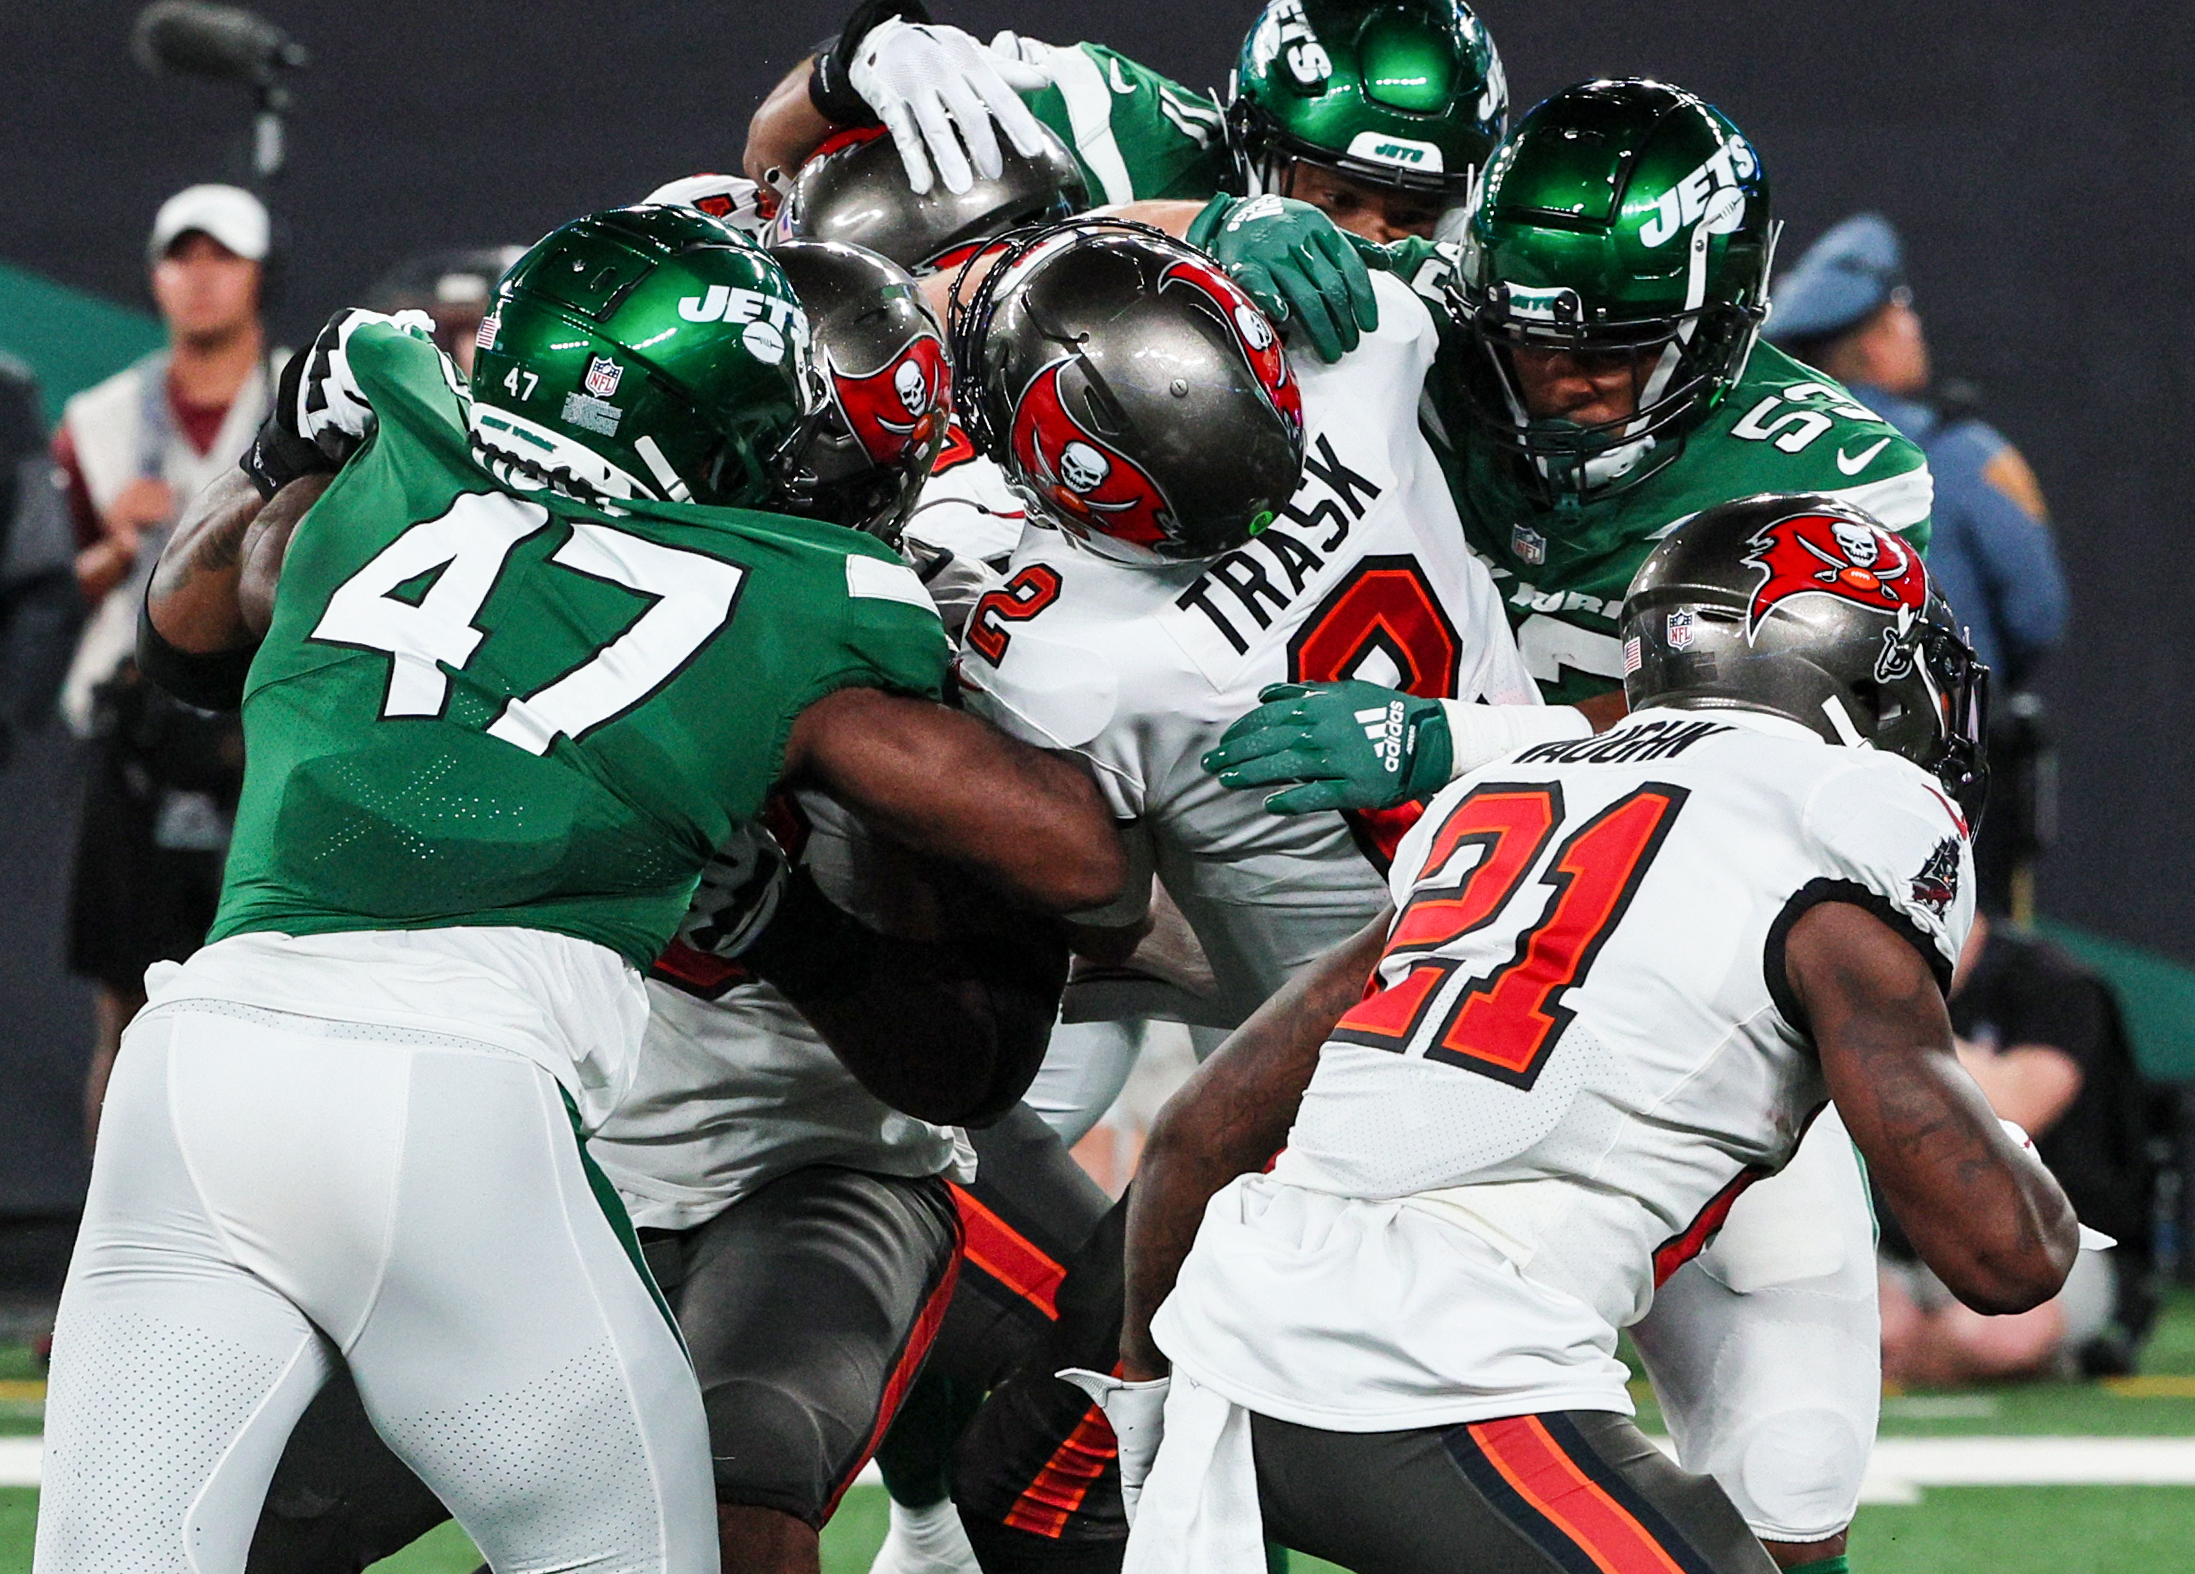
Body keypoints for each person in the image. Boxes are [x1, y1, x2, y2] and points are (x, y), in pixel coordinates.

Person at [38, 203, 1123, 1574]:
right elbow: (1079, 853)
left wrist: (274, 456)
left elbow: (216, 606)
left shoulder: (395, 465)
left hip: (195, 1063)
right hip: (447, 1102)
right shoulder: (806, 587)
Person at [1195, 82, 1938, 1573]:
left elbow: (1764, 758)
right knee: (1229, 1403)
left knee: (1784, 1486)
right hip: (1412, 980)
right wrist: (1215, 229)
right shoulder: (1420, 336)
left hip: (1689, 1008)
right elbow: (1093, 258)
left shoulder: (1825, 472)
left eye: (1600, 349)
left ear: (1715, 326)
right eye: (1523, 336)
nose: (1548, 380)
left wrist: (1449, 739)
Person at [1106, 493, 2076, 1574]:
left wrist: (1147, 1398)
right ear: (1860, 681)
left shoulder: (1509, 794)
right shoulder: (1837, 819)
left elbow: (1199, 1128)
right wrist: (2012, 1157)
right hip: (1437, 1372)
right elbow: (2003, 1255)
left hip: (1235, 1355)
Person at [50, 183, 283, 1146]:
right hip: (137, 747)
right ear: (153, 275)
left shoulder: (315, 406)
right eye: (181, 257)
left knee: (277, 1005)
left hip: (265, 741)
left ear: (256, 273)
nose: (199, 279)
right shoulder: (97, 420)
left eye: (220, 257)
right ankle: (117, 1248)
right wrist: (111, 542)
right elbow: (41, 591)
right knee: (128, 1013)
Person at [743, 0, 1507, 288]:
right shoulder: (1110, 122)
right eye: (1337, 198)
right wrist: (852, 65)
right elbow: (768, 163)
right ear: (1251, 145)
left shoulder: (1480, 287)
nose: (1363, 238)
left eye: (1411, 214)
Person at [1768, 212, 2068, 913]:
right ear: (1874, 341)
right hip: (1945, 768)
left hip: (1789, 768)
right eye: (1901, 314)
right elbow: (2036, 614)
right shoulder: (1961, 455)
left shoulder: (1760, 459)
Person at [1879, 910, 2156, 1386]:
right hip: (1897, 1247)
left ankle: (1920, 1360)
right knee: (1868, 1327)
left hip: (2041, 1248)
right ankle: (1907, 1352)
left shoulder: (2055, 987)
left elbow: (2014, 1109)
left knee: (2000, 1337)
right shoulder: (1844, 978)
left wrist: (1882, 1019)